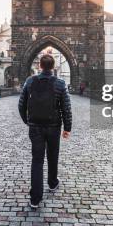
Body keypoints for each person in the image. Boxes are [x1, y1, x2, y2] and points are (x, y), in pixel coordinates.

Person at [18, 54, 72, 209]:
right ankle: (52, 183)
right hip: (54, 127)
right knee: (53, 156)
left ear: (40, 66)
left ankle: (35, 198)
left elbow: (21, 104)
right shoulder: (60, 83)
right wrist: (67, 128)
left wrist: (27, 121)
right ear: (53, 67)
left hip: (35, 127)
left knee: (37, 161)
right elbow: (66, 108)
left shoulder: (30, 81)